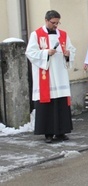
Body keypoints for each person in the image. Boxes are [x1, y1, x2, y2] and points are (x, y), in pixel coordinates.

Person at [26, 10, 75, 143]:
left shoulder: (63, 34)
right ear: (46, 21)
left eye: (57, 23)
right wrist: (46, 52)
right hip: (45, 75)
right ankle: (48, 133)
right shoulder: (36, 34)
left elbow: (72, 49)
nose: (56, 25)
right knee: (47, 104)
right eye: (53, 23)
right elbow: (30, 53)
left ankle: (61, 132)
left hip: (60, 75)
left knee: (61, 103)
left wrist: (67, 53)